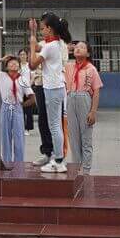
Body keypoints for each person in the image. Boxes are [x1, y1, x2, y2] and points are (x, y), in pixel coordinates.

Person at [28, 14, 71, 173]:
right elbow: (39, 48)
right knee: (54, 125)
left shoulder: (50, 46)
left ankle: (58, 161)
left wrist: (32, 45)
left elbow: (32, 65)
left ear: (49, 29)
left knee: (54, 126)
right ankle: (57, 158)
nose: (41, 31)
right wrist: (33, 33)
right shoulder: (56, 43)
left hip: (53, 88)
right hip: (56, 87)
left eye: (42, 28)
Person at [65, 41, 103, 175]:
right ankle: (76, 168)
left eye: (82, 47)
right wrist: (66, 48)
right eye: (76, 47)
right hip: (71, 98)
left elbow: (96, 91)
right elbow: (57, 60)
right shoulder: (69, 66)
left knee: (86, 137)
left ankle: (86, 171)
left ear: (88, 53)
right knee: (73, 138)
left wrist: (93, 112)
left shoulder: (91, 69)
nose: (78, 49)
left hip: (84, 98)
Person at [0, 55, 33, 166]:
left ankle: (19, 162)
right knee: (5, 136)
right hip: (5, 107)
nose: (14, 64)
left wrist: (22, 105)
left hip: (17, 107)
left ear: (19, 66)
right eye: (11, 63)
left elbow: (32, 97)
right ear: (6, 66)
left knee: (19, 136)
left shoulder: (22, 79)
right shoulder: (1, 76)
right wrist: (2, 59)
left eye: (16, 63)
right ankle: (6, 161)